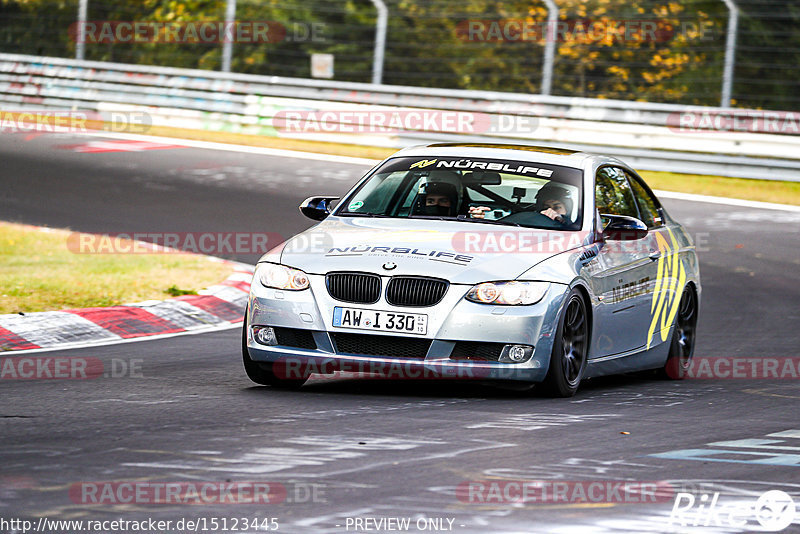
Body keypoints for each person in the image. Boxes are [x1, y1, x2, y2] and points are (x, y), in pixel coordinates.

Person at [469, 182, 574, 226]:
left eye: (557, 207)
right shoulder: (526, 222)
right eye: (545, 207)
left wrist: (562, 220)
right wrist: (479, 220)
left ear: (568, 208)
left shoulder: (577, 228)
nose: (550, 211)